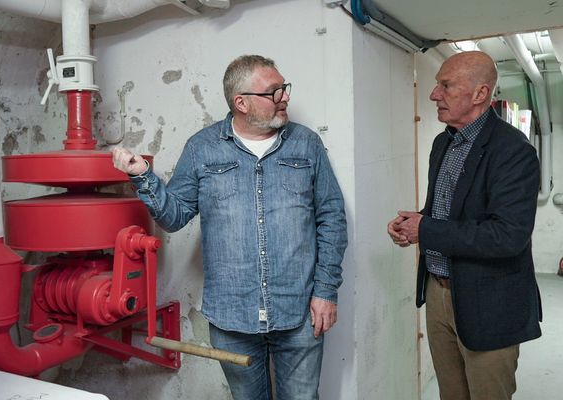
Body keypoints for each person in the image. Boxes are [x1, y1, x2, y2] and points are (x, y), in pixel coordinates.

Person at [112, 54, 347, 399]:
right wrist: (141, 175)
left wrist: (325, 290)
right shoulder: (202, 149)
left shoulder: (306, 144)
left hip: (298, 312)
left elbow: (332, 216)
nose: (285, 97)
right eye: (274, 91)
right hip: (232, 317)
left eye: (284, 88)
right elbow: (174, 215)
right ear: (242, 103)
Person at [387, 51, 542, 400]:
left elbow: (508, 236)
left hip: (490, 302)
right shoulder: (444, 143)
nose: (433, 95)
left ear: (479, 94)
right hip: (439, 294)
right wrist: (414, 222)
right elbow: (448, 213)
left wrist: (425, 230)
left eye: (445, 85)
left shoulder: (513, 151)